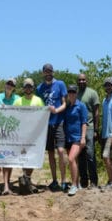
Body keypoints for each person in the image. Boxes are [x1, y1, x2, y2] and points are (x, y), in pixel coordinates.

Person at [36, 63, 67, 191]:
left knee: (60, 151)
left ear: (53, 72)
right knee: (50, 153)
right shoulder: (39, 88)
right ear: (43, 73)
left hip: (59, 121)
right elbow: (38, 105)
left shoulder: (60, 84)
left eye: (50, 71)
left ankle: (64, 180)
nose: (48, 73)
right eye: (46, 71)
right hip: (46, 124)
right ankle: (54, 180)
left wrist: (56, 110)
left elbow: (65, 103)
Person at [13, 78, 45, 194]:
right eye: (26, 86)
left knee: (32, 157)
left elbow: (43, 115)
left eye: (30, 86)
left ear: (33, 88)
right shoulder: (18, 102)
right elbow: (13, 116)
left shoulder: (38, 101)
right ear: (23, 88)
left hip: (35, 134)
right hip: (21, 134)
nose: (28, 88)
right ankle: (26, 180)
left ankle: (27, 178)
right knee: (24, 157)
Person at [0, 78, 21, 195]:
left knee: (9, 159)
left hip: (12, 132)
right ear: (5, 85)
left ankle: (6, 185)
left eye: (12, 84)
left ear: (14, 87)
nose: (9, 85)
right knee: (0, 160)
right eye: (8, 83)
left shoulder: (18, 99)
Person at [77, 73, 100, 189]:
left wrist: (96, 129)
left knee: (90, 155)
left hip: (90, 128)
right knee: (80, 157)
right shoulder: (75, 94)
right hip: (78, 129)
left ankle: (94, 182)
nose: (81, 82)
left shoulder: (92, 93)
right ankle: (84, 181)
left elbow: (96, 112)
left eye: (83, 80)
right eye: (79, 80)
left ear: (87, 80)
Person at [64, 85, 87, 196]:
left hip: (77, 138)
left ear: (76, 93)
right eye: (70, 92)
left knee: (71, 159)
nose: (71, 94)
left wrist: (83, 137)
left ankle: (73, 186)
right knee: (74, 161)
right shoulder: (68, 107)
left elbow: (84, 122)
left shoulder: (81, 106)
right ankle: (77, 184)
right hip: (68, 138)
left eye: (73, 92)